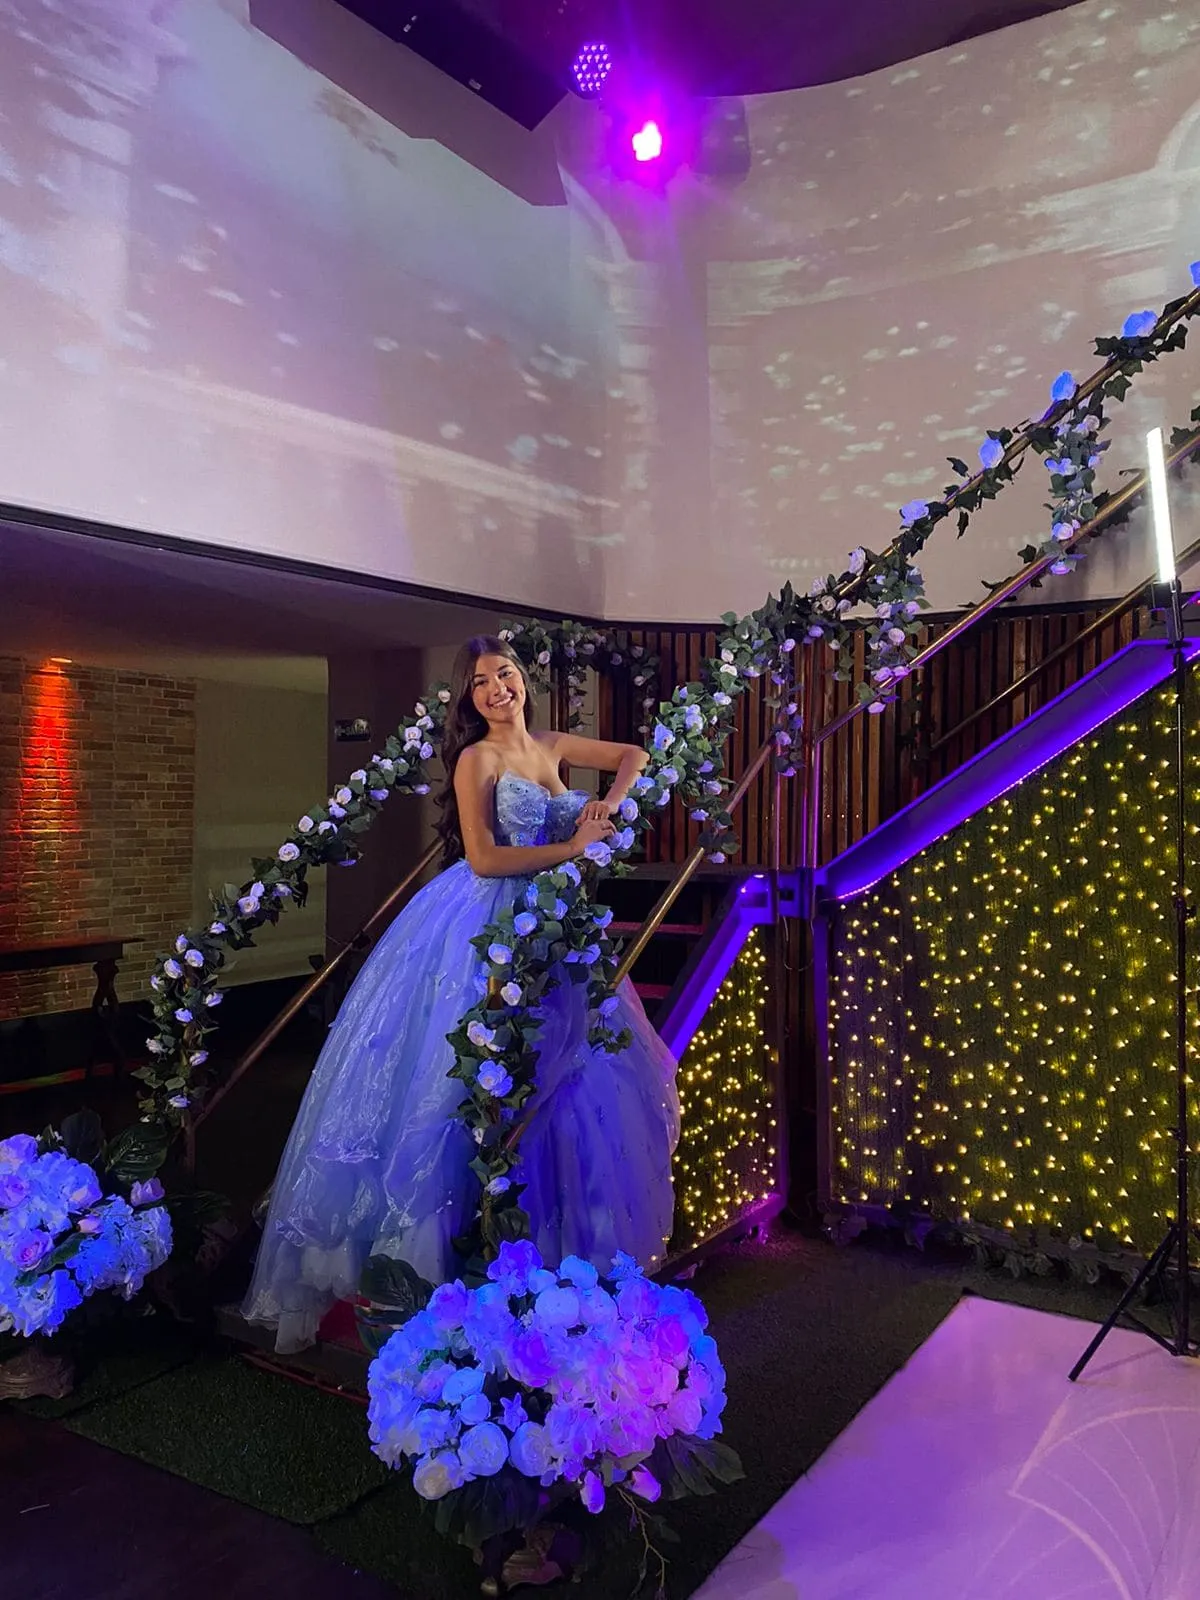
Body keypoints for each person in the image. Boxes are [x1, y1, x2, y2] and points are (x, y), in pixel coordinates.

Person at [243, 635, 680, 1357]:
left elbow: (634, 755)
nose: (497, 688)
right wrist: (575, 848)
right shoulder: (477, 757)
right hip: (485, 926)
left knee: (565, 1077)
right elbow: (482, 858)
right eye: (480, 682)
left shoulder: (553, 744)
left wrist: (606, 808)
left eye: (504, 673)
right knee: (455, 1086)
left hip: (554, 928)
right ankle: (439, 1268)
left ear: (523, 678)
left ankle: (547, 1263)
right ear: (469, 699)